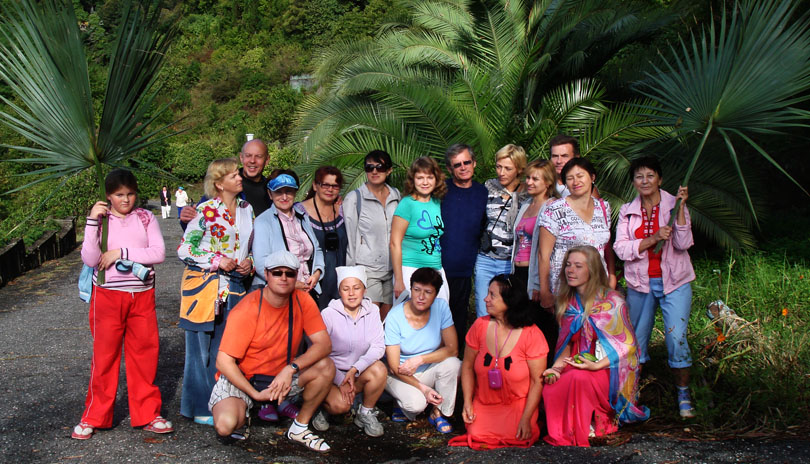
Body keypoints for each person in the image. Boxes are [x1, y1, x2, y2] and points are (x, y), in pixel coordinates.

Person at [72, 169, 172, 439]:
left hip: (142, 294)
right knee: (105, 357)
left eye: (130, 194)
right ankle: (94, 415)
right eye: (118, 195)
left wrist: (119, 253)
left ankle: (148, 413)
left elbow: (158, 253)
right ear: (108, 196)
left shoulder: (145, 217)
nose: (125, 200)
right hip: (107, 296)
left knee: (145, 355)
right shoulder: (101, 220)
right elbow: (91, 259)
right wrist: (92, 221)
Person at [210, 250, 335, 452]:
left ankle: (299, 427)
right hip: (244, 379)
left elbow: (324, 344)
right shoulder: (248, 307)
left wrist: (291, 368)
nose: (283, 278)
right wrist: (254, 394)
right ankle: (249, 409)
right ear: (266, 274)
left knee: (326, 366)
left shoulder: (303, 300)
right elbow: (223, 362)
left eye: (290, 273)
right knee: (226, 426)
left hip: (280, 378)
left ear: (296, 276)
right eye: (277, 273)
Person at [613, 156, 696, 418]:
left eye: (650, 175)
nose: (645, 181)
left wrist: (681, 209)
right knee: (636, 340)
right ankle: (632, 393)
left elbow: (683, 243)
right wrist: (652, 239)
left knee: (676, 338)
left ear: (659, 179)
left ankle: (683, 394)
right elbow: (620, 249)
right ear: (633, 182)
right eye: (639, 176)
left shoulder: (674, 204)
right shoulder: (627, 210)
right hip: (640, 283)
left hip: (675, 282)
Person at [542, 246, 648, 447]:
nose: (570, 270)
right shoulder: (568, 303)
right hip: (577, 362)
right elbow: (567, 344)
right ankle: (570, 430)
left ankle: (589, 425)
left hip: (608, 368)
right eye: (568, 265)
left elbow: (629, 346)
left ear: (592, 270)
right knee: (552, 385)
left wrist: (596, 365)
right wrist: (555, 369)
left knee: (579, 378)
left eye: (578, 266)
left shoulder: (613, 301)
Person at [177, 158, 255, 426]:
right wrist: (217, 260)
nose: (239, 178)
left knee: (227, 347)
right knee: (201, 349)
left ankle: (224, 403)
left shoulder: (247, 209)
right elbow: (185, 249)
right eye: (233, 175)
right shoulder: (205, 210)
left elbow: (250, 246)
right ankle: (200, 407)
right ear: (219, 184)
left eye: (238, 174)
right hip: (206, 287)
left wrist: (250, 262)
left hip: (236, 287)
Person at [449, 274, 548, 449]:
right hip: (484, 402)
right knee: (476, 434)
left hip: (518, 406)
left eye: (492, 295)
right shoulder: (480, 326)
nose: (486, 299)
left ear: (510, 301)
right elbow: (467, 366)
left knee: (517, 436)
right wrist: (467, 403)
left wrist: (526, 418)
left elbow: (537, 381)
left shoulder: (532, 334)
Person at [384, 267, 461, 433]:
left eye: (428, 292)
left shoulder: (441, 307)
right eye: (416, 290)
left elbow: (452, 349)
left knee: (454, 364)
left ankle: (438, 412)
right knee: (416, 404)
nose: (421, 296)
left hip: (427, 369)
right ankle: (400, 403)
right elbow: (393, 366)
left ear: (436, 294)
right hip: (401, 374)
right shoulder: (395, 316)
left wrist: (420, 360)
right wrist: (423, 388)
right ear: (410, 289)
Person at [538, 157, 616, 310]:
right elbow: (543, 255)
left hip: (597, 286)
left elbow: (606, 246)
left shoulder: (603, 208)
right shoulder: (554, 210)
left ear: (592, 177)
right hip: (565, 288)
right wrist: (544, 291)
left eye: (580, 176)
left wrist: (611, 276)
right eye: (570, 178)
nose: (575, 182)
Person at [318, 266, 387, 437]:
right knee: (340, 406)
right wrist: (340, 380)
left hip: (357, 373)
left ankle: (365, 412)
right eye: (345, 289)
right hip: (332, 374)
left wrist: (355, 369)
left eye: (356, 288)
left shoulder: (373, 311)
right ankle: (320, 406)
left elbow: (378, 346)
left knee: (379, 369)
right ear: (339, 291)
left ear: (364, 290)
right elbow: (321, 353)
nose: (351, 294)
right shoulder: (328, 314)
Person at [343, 150, 401, 320]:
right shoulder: (355, 198)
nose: (374, 171)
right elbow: (350, 238)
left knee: (388, 320)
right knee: (371, 318)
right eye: (370, 167)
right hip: (367, 269)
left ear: (389, 170)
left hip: (392, 269)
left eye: (380, 167)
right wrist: (352, 274)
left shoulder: (396, 196)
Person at [440, 143, 488, 349]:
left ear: (474, 163)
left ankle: (455, 358)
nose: (463, 167)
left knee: (458, 317)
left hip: (464, 269)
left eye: (466, 162)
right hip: (437, 267)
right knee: (434, 318)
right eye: (457, 164)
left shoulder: (483, 193)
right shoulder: (440, 190)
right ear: (449, 169)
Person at [511, 160, 560, 355]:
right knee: (520, 326)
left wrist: (540, 284)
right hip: (518, 273)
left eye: (535, 179)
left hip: (536, 275)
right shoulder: (525, 206)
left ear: (548, 182)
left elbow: (547, 251)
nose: (529, 182)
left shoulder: (552, 206)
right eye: (528, 178)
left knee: (540, 328)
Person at [474, 144, 528, 317]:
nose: (501, 172)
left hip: (511, 262)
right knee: (483, 309)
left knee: (508, 312)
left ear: (519, 169)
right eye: (499, 166)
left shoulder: (528, 193)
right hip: (486, 258)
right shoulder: (489, 187)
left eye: (507, 168)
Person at [252, 171, 324, 297]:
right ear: (270, 194)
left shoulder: (302, 217)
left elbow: (317, 249)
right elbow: (260, 263)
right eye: (278, 192)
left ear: (295, 192)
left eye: (288, 191)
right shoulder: (263, 221)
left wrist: (317, 273)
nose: (284, 197)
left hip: (308, 289)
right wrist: (290, 283)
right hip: (278, 293)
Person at [390, 156, 450, 304]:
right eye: (420, 178)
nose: (425, 182)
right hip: (410, 270)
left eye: (429, 177)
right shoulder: (407, 204)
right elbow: (394, 243)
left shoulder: (436, 202)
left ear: (436, 179)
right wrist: (399, 280)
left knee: (440, 314)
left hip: (436, 270)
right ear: (413, 180)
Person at [180, 139, 273, 227]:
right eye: (248, 155)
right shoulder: (226, 185)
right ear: (241, 157)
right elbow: (195, 227)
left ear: (267, 160)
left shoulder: (274, 190)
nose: (252, 161)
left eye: (258, 156)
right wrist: (186, 219)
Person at [298, 166, 348, 310]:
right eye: (325, 184)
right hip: (312, 282)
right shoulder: (299, 212)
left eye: (335, 186)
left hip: (340, 282)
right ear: (315, 185)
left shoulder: (344, 210)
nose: (330, 189)